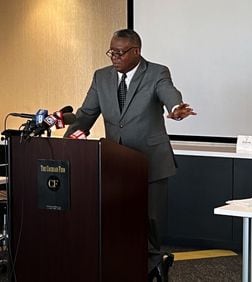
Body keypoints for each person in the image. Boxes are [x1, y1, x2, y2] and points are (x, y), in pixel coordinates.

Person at [64, 29, 196, 282]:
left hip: (150, 160)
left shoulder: (157, 72)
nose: (114, 57)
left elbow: (169, 93)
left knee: (151, 219)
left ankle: (156, 263)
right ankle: (125, 264)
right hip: (115, 162)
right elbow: (86, 115)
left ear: (136, 51)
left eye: (120, 52)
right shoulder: (101, 77)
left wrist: (176, 108)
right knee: (117, 217)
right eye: (111, 51)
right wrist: (67, 143)